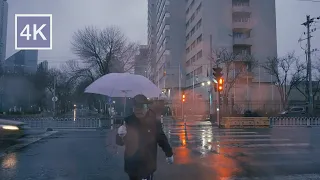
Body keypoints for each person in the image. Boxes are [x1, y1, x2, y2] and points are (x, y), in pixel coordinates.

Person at [116, 94, 173, 180]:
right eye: (136, 109)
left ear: (147, 107)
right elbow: (120, 142)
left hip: (147, 165)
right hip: (131, 165)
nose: (139, 112)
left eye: (141, 108)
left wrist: (169, 153)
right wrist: (120, 135)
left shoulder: (153, 121)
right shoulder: (128, 121)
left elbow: (161, 138)